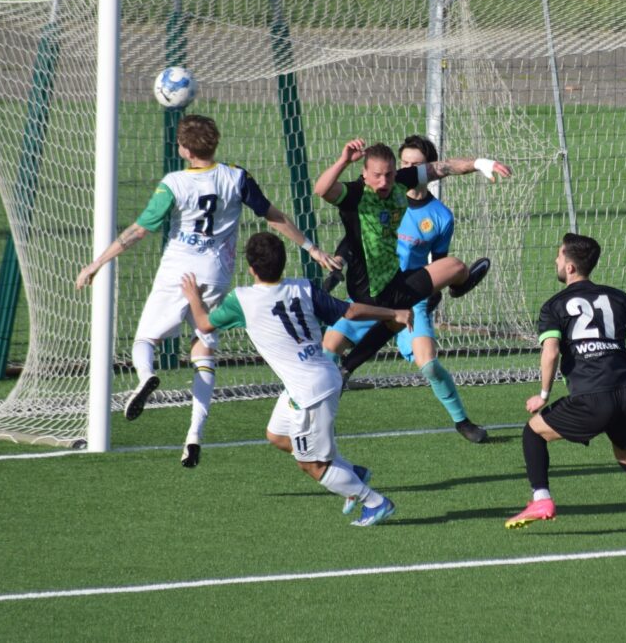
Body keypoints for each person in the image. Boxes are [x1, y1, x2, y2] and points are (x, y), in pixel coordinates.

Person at [75, 114, 340, 468]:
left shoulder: (173, 183)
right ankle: (194, 434)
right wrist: (312, 248)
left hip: (178, 271)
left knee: (146, 339)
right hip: (215, 274)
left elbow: (139, 230)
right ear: (214, 144)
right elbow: (272, 215)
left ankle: (145, 375)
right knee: (203, 350)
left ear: (185, 150)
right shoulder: (236, 176)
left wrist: (97, 263)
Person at [181, 232, 410, 526]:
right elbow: (351, 311)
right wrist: (393, 312)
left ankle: (374, 502)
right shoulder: (303, 288)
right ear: (284, 262)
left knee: (311, 465)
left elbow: (203, 324)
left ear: (251, 268)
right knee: (277, 435)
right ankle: (351, 473)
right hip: (315, 377)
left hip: (310, 392)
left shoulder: (243, 300)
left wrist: (193, 296)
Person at [505, 233, 626, 535]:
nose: (555, 261)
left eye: (559, 256)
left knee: (533, 432)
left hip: (592, 396)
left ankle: (541, 499)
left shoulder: (553, 306)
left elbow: (551, 351)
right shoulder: (617, 297)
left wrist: (543, 394)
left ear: (570, 267)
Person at [312, 138, 510, 386]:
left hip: (398, 282)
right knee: (377, 325)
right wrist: (343, 161)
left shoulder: (406, 187)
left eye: (390, 174)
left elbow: (444, 167)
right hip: (367, 291)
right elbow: (322, 190)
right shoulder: (356, 195)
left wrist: (481, 163)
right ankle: (334, 375)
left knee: (450, 272)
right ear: (364, 173)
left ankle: (344, 371)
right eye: (377, 175)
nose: (384, 181)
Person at [329, 136, 489, 443]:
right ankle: (320, 420)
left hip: (411, 297)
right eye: (403, 163)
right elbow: (355, 237)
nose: (405, 170)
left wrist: (434, 296)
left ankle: (462, 421)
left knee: (428, 365)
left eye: (414, 165)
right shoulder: (382, 196)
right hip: (372, 292)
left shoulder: (440, 217)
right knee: (329, 348)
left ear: (427, 169)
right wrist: (338, 260)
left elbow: (437, 266)